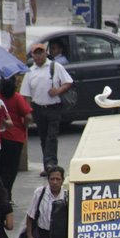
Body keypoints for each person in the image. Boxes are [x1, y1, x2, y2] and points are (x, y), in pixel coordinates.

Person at [20, 42, 73, 176]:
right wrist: (28, 112)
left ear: (45, 54)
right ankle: (47, 164)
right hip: (38, 108)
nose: (38, 56)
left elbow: (68, 82)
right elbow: (26, 94)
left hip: (54, 107)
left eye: (41, 53)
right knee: (44, 137)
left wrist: (58, 90)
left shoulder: (55, 67)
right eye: (35, 54)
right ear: (33, 56)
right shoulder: (30, 72)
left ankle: (51, 163)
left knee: (52, 136)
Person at [0, 77, 33, 203]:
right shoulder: (17, 98)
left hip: (0, 137)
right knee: (11, 169)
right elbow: (28, 116)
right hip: (16, 137)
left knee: (0, 167)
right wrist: (25, 126)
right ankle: (7, 195)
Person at [26, 166, 67, 238]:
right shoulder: (40, 193)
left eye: (58, 179)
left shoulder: (67, 194)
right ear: (48, 179)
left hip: (61, 237)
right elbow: (30, 215)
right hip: (43, 236)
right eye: (52, 179)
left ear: (62, 180)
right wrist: (29, 236)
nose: (55, 182)